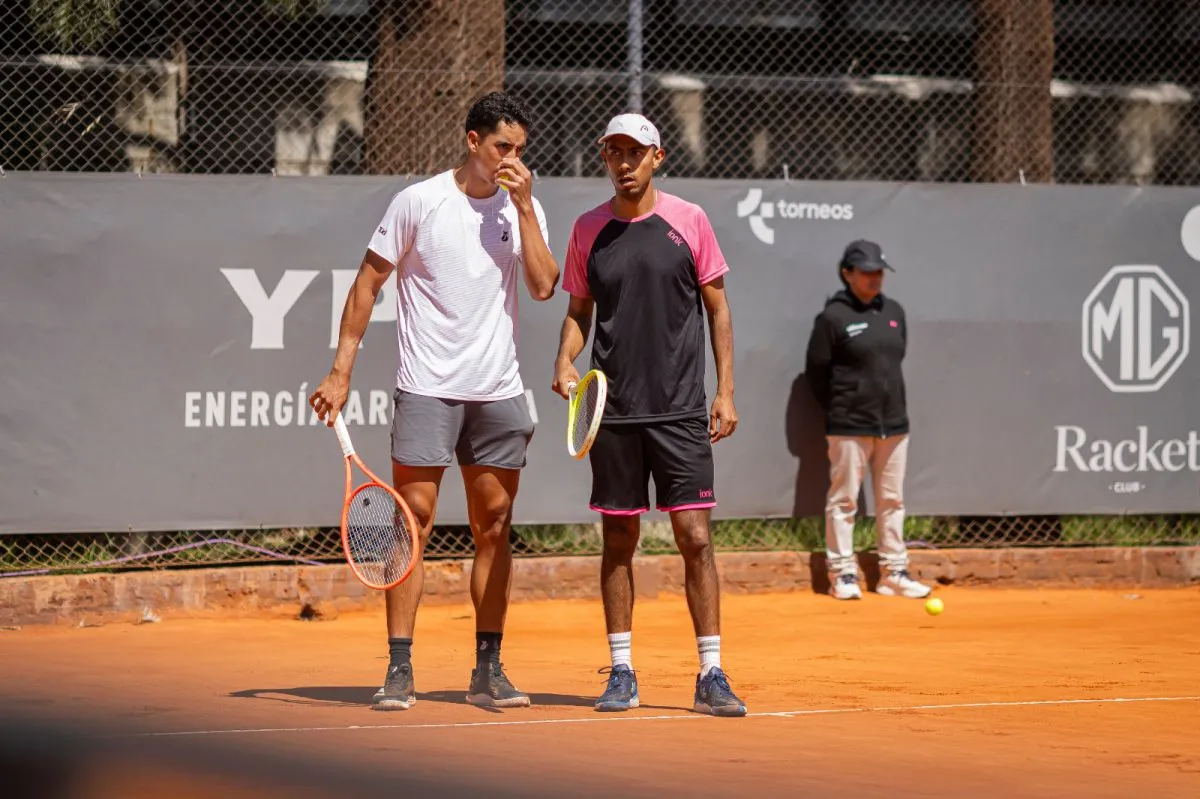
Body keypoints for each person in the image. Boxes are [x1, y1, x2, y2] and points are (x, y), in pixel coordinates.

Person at [309, 92, 560, 710]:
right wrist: (340, 371)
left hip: (498, 390)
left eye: (520, 150)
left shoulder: (525, 207)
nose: (512, 159)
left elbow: (543, 286)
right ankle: (399, 667)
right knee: (412, 521)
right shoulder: (418, 202)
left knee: (494, 524)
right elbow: (367, 283)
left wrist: (525, 210)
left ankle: (488, 669)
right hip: (426, 387)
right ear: (472, 141)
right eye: (502, 146)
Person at [552, 113, 747, 717]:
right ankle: (621, 671)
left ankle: (711, 673)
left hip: (681, 410)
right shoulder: (588, 229)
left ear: (657, 157)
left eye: (634, 152)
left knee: (695, 537)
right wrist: (564, 360)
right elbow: (579, 311)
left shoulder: (690, 221)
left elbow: (717, 309)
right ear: (604, 158)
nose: (624, 162)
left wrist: (725, 391)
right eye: (614, 152)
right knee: (618, 538)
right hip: (613, 411)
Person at [804, 240, 932, 601]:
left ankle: (893, 573)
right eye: (867, 272)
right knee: (844, 500)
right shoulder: (832, 318)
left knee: (892, 500)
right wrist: (844, 407)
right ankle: (842, 574)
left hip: (894, 424)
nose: (875, 278)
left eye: (879, 271)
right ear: (848, 274)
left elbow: (896, 358)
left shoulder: (894, 311)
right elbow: (817, 374)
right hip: (848, 425)